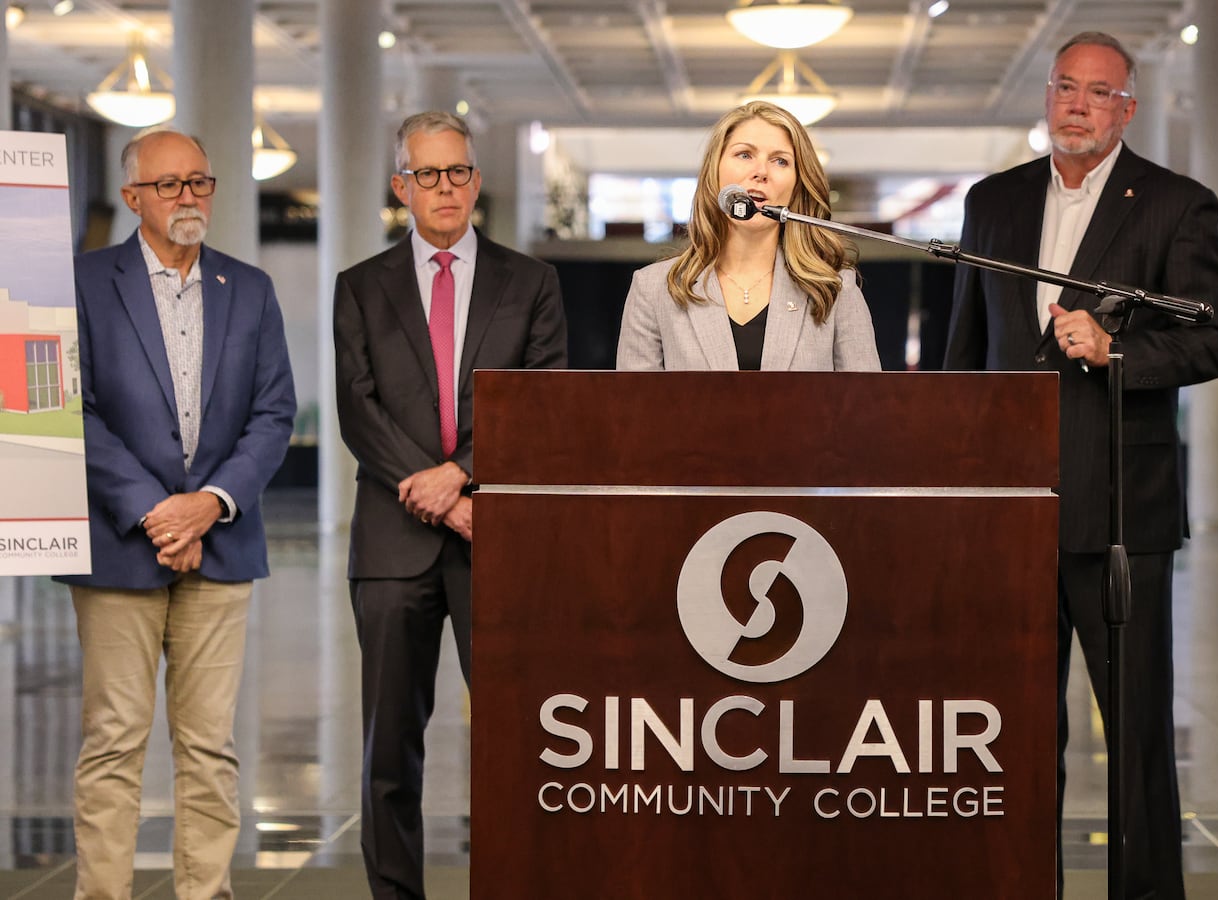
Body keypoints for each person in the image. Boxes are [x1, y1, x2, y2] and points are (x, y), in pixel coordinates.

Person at [944, 31, 1218, 900]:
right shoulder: (990, 203)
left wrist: (1119, 351)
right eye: (1064, 87)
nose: (1076, 104)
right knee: (1018, 728)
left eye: (1097, 92)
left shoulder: (1177, 205)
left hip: (1123, 510)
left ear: (1128, 109)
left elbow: (1216, 338)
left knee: (1137, 732)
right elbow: (967, 351)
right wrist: (964, 490)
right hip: (1013, 511)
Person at [333, 110, 568, 899]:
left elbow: (539, 406)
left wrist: (466, 476)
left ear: (476, 179)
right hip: (394, 546)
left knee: (511, 740)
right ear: (401, 186)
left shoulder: (530, 282)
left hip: (495, 538)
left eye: (458, 171)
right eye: (428, 174)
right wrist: (442, 492)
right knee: (389, 750)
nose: (446, 188)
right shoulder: (359, 287)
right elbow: (358, 411)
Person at [58, 128, 296, 898]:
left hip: (222, 546)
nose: (188, 197)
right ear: (133, 198)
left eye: (199, 182)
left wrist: (208, 506)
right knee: (114, 740)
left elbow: (273, 414)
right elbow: (73, 410)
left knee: (209, 746)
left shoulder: (250, 288)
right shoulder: (83, 283)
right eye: (169, 185)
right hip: (118, 545)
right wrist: (158, 512)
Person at [615, 100, 880, 371]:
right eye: (744, 155)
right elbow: (633, 409)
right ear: (714, 171)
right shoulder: (652, 288)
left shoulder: (835, 288)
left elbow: (867, 406)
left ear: (797, 184)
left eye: (780, 161)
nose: (761, 172)